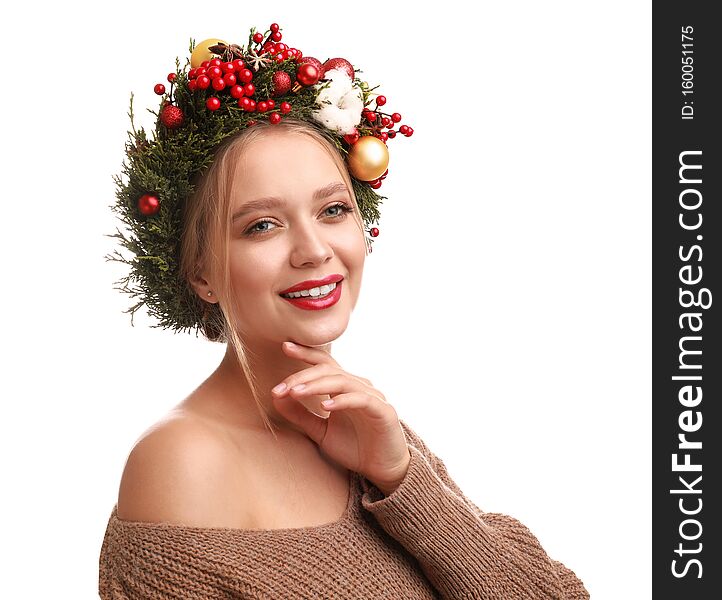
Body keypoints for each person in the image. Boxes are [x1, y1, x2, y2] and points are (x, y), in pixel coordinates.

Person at [99, 23, 590, 599]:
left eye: (332, 210)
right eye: (262, 225)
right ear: (201, 272)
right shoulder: (182, 464)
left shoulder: (367, 427)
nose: (313, 250)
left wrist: (404, 478)